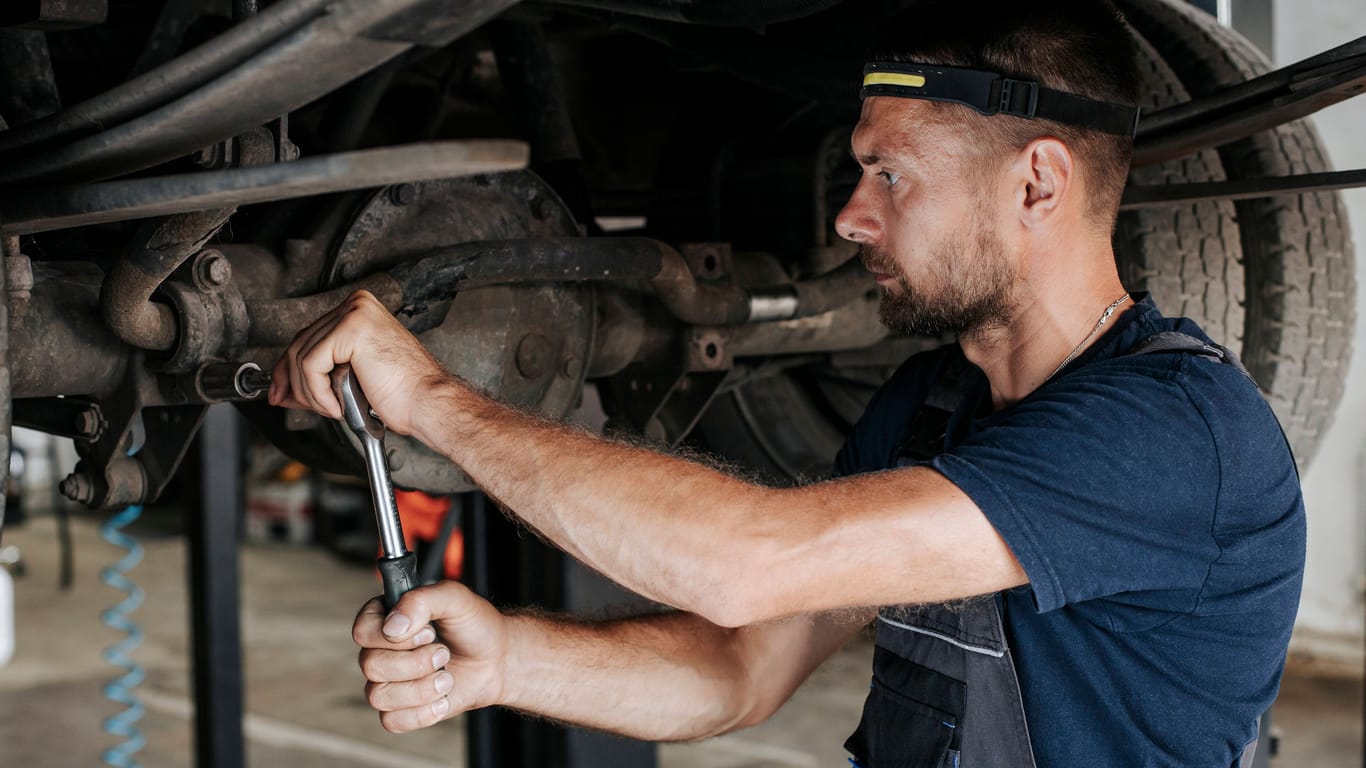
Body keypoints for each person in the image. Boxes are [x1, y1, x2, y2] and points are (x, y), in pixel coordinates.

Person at [270, 1, 1305, 764]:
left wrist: (435, 401)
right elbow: (740, 668)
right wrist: (504, 661)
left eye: (889, 174)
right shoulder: (927, 406)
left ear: (1036, 180)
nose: (850, 216)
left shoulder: (1174, 435)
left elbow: (744, 565)